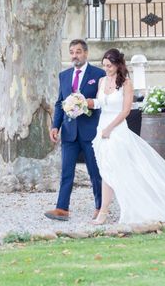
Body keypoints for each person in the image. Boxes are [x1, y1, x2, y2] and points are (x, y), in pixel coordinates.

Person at [91, 48, 165, 225]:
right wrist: (83, 103)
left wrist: (110, 129)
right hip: (102, 129)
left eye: (110, 66)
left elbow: (125, 110)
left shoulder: (126, 83)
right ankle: (104, 212)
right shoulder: (101, 81)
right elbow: (100, 103)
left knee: (117, 171)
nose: (106, 69)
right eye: (104, 65)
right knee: (106, 171)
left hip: (117, 130)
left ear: (118, 65)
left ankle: (115, 210)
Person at [45, 39, 106, 221]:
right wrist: (55, 126)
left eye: (78, 52)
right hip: (69, 132)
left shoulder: (99, 74)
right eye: (72, 52)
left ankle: (100, 207)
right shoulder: (64, 75)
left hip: (90, 131)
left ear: (85, 53)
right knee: (66, 172)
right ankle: (62, 208)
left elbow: (102, 101)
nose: (74, 56)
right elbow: (59, 103)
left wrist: (85, 104)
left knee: (95, 172)